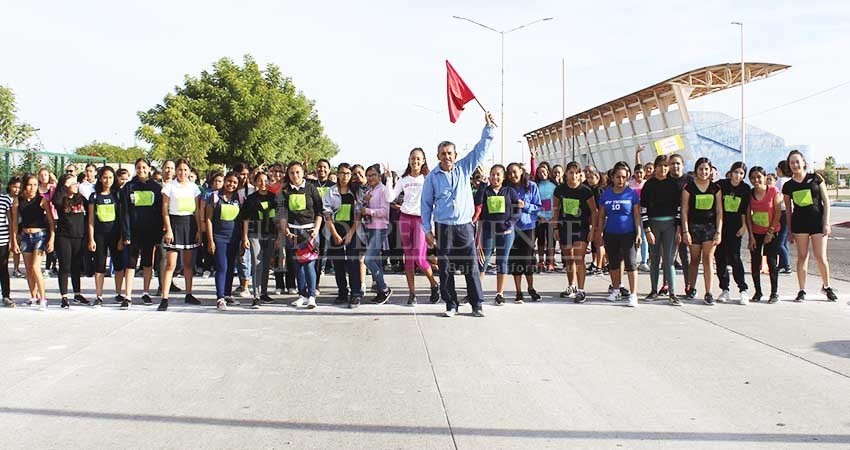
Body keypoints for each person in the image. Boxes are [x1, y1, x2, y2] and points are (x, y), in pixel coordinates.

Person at [421, 111, 495, 317]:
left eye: (450, 153)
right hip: (444, 227)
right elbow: (425, 205)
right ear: (438, 156)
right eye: (443, 153)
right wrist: (427, 230)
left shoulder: (464, 168)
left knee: (471, 267)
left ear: (455, 155)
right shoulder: (432, 177)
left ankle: (477, 304)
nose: (447, 157)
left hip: (464, 226)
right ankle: (451, 304)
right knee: (445, 268)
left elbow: (480, 151)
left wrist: (488, 129)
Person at [384, 149, 440, 305]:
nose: (415, 161)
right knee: (408, 258)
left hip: (422, 220)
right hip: (405, 219)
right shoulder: (404, 179)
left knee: (419, 258)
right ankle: (412, 293)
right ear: (409, 160)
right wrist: (389, 179)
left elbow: (434, 203)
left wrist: (432, 227)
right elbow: (390, 197)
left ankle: (434, 284)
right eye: (412, 158)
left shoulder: (428, 178)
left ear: (423, 161)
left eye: (418, 159)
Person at [782, 150, 837, 301]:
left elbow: (826, 202)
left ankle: (827, 286)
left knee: (821, 256)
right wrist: (790, 230)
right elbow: (788, 210)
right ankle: (802, 290)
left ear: (803, 162)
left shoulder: (815, 178)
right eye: (792, 163)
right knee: (802, 256)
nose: (795, 165)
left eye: (797, 161)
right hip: (800, 225)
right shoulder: (788, 186)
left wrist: (826, 223)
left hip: (818, 223)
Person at [278, 162, 323, 309]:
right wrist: (286, 231)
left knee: (309, 265)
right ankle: (302, 295)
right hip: (293, 232)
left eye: (297, 172)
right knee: (297, 266)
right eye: (292, 173)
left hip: (309, 232)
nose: (295, 175)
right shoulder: (285, 191)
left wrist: (316, 229)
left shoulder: (311, 188)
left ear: (303, 172)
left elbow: (319, 211)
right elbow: (282, 213)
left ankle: (312, 296)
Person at [159, 158, 202, 310]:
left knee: (188, 264)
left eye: (185, 170)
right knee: (170, 264)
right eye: (180, 170)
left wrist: (199, 229)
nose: (182, 172)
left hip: (189, 225)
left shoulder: (194, 188)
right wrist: (168, 229)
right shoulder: (169, 187)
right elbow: (164, 210)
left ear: (189, 171)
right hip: (174, 224)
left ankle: (189, 294)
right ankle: (164, 298)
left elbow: (197, 210)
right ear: (176, 171)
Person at [597, 162, 641, 307]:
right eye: (618, 177)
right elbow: (601, 216)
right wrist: (599, 233)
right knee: (613, 264)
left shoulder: (632, 194)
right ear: (613, 177)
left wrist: (639, 233)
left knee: (631, 264)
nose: (621, 180)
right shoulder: (606, 194)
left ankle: (633, 294)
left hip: (628, 234)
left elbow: (636, 216)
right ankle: (616, 290)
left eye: (623, 177)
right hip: (610, 234)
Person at [640, 155, 682, 305]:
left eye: (666, 166)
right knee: (654, 259)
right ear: (655, 167)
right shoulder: (648, 185)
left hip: (670, 225)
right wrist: (647, 230)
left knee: (669, 260)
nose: (663, 168)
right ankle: (653, 291)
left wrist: (678, 229)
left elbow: (679, 208)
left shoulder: (673, 185)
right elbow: (643, 209)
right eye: (660, 165)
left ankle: (672, 293)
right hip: (654, 225)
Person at [553, 162, 597, 303]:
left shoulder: (586, 191)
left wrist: (593, 230)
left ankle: (581, 290)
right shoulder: (560, 189)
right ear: (566, 174)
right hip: (565, 227)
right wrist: (555, 228)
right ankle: (571, 286)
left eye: (576, 173)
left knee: (579, 258)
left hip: (581, 228)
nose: (573, 175)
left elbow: (594, 211)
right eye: (571, 172)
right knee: (569, 258)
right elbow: (556, 209)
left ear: (580, 175)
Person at [476, 164, 520, 305]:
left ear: (503, 177)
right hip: (488, 231)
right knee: (483, 261)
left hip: (506, 233)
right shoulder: (486, 190)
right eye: (493, 174)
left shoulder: (509, 191)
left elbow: (517, 210)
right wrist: (483, 185)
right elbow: (477, 202)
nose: (495, 177)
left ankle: (499, 294)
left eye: (498, 174)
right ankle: (475, 292)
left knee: (502, 261)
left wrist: (509, 223)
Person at [681, 157, 723, 305]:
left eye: (706, 169)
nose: (703, 172)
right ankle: (691, 287)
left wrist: (718, 231)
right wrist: (685, 231)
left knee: (708, 259)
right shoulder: (689, 188)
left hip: (710, 228)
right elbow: (684, 211)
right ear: (696, 170)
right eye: (701, 169)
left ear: (710, 170)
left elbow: (719, 211)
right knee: (694, 259)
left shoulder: (715, 188)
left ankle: (709, 292)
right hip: (693, 228)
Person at [121, 158, 163, 306]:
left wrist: (158, 234)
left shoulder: (156, 187)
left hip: (150, 231)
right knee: (131, 263)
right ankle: (128, 296)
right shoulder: (129, 187)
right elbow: (125, 211)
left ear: (149, 169)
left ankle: (146, 292)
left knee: (147, 262)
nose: (141, 170)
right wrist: (126, 233)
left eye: (144, 167)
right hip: (133, 231)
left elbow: (159, 212)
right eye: (138, 167)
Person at [10, 174, 55, 308]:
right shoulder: (18, 201)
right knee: (29, 269)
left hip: (40, 236)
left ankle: (43, 298)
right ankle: (33, 296)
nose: (33, 188)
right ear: (25, 186)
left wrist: (51, 239)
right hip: (25, 236)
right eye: (30, 185)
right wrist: (14, 241)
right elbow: (14, 223)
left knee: (36, 267)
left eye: (35, 185)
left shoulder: (42, 200)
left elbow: (51, 222)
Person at [323, 163, 364, 307]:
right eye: (342, 173)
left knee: (353, 262)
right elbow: (327, 213)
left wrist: (351, 233)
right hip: (335, 231)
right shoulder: (331, 191)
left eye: (348, 173)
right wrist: (334, 233)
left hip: (353, 230)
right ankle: (342, 292)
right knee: (338, 263)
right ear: (337, 174)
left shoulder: (356, 191)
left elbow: (359, 213)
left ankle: (355, 293)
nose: (345, 176)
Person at [88, 166, 125, 307]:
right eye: (105, 177)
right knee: (100, 265)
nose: (107, 180)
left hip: (115, 235)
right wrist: (91, 238)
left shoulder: (118, 195)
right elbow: (91, 219)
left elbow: (121, 218)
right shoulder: (94, 197)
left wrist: (122, 237)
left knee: (118, 265)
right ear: (100, 178)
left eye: (110, 177)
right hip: (99, 236)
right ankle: (99, 295)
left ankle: (119, 293)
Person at [240, 172, 278, 309]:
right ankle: (256, 296)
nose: (263, 183)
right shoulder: (250, 199)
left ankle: (264, 293)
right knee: (257, 263)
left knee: (266, 264)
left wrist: (279, 236)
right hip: (254, 234)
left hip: (270, 234)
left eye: (265, 181)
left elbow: (278, 219)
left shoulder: (274, 198)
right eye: (260, 181)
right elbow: (245, 219)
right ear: (255, 183)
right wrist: (245, 237)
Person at [715, 162, 751, 304]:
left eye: (741, 173)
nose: (738, 176)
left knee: (735, 257)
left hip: (735, 228)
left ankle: (743, 289)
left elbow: (744, 210)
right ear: (731, 172)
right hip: (720, 227)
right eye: (736, 172)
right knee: (720, 258)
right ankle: (725, 289)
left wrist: (744, 226)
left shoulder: (745, 189)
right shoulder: (721, 185)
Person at [506, 162, 542, 303]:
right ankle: (518, 291)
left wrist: (525, 205)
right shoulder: (507, 188)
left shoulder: (531, 186)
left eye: (515, 172)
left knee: (527, 259)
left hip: (528, 227)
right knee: (515, 260)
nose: (512, 175)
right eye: (509, 173)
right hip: (512, 228)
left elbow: (538, 207)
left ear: (521, 171)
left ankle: (531, 288)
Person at [358, 164, 394, 304]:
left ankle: (384, 288)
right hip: (370, 227)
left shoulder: (383, 190)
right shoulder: (370, 190)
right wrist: (365, 202)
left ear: (379, 176)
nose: (370, 178)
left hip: (380, 228)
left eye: (373, 175)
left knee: (368, 260)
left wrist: (368, 211)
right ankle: (380, 291)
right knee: (376, 261)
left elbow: (385, 212)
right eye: (368, 175)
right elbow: (364, 207)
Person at [206, 172, 242, 310]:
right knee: (222, 267)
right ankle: (220, 297)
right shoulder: (215, 197)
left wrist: (242, 238)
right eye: (229, 181)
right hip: (218, 237)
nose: (231, 184)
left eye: (235, 182)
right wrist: (210, 240)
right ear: (225, 180)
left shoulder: (239, 198)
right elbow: (208, 219)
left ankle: (227, 294)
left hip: (234, 237)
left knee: (231, 267)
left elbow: (242, 220)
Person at [747, 166, 782, 303]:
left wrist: (771, 231)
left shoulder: (773, 191)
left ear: (765, 177)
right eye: (753, 178)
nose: (756, 180)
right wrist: (751, 236)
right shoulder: (750, 194)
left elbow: (778, 212)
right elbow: (748, 216)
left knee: (771, 262)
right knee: (755, 262)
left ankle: (774, 293)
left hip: (772, 232)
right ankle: (758, 292)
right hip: (756, 232)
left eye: (759, 177)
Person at [52, 174, 88, 308]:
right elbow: (56, 201)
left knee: (76, 266)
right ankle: (64, 296)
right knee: (65, 266)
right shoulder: (61, 199)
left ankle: (77, 294)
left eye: (76, 183)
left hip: (78, 236)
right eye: (72, 183)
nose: (75, 185)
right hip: (64, 236)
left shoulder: (80, 198)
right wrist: (64, 186)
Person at [668, 153, 694, 293]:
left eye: (678, 163)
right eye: (672, 163)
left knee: (685, 255)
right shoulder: (665, 180)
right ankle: (666, 284)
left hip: (686, 222)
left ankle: (688, 284)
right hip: (668, 221)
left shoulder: (690, 180)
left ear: (683, 165)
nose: (675, 166)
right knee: (668, 256)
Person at [534, 163, 557, 272]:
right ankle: (541, 261)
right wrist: (539, 216)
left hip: (551, 217)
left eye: (543, 172)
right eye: (539, 173)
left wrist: (554, 216)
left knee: (551, 241)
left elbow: (557, 202)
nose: (542, 174)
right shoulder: (536, 185)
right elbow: (534, 201)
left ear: (548, 172)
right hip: (540, 217)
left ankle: (550, 262)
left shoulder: (553, 185)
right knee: (541, 240)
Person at [775, 161, 792, 273]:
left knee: (779, 242)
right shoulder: (789, 181)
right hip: (789, 211)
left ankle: (786, 265)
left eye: (777, 168)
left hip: (783, 212)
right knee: (784, 241)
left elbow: (779, 197)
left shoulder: (781, 181)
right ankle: (782, 264)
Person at [0, 179, 14, 307]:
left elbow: (11, 221)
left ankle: (6, 295)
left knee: (3, 268)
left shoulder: (5, 200)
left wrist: (11, 240)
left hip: (3, 239)